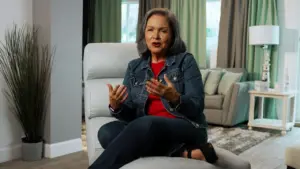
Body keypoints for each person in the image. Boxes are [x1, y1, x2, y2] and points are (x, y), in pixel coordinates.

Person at [88, 8, 218, 169]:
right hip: (147, 131)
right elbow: (130, 116)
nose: (155, 36)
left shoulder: (185, 61)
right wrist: (117, 107)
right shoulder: (134, 67)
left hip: (185, 126)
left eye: (163, 31)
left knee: (146, 124)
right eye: (150, 30)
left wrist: (175, 98)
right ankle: (182, 152)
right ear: (144, 35)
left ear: (172, 36)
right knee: (106, 132)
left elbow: (197, 106)